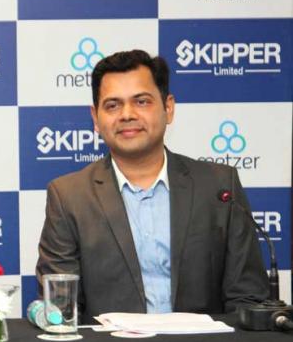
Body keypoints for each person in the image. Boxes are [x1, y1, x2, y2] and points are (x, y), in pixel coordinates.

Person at [36, 50, 269, 323]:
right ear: (96, 118)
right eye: (112, 105)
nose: (127, 114)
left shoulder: (218, 187)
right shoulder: (69, 196)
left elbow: (248, 297)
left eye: (141, 101)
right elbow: (60, 307)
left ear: (168, 108)